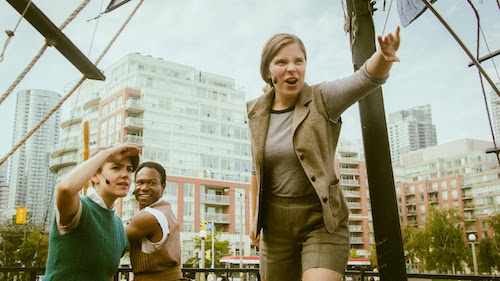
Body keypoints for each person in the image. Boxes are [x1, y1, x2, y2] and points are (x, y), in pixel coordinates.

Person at [247, 27, 401, 281]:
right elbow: (256, 169)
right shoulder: (257, 113)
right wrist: (254, 219)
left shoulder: (322, 99)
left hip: (321, 222)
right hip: (276, 230)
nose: (292, 68)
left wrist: (383, 57)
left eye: (299, 61)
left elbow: (364, 79)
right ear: (268, 71)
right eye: (281, 62)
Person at [44, 144, 141, 281]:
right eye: (116, 168)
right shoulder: (80, 208)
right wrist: (106, 154)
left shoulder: (118, 226)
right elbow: (65, 189)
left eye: (129, 169)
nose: (125, 175)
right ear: (95, 176)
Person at [125, 162, 183, 281]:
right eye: (140, 182)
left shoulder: (149, 216)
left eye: (152, 183)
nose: (144, 188)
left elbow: (112, 240)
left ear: (163, 186)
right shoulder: (166, 210)